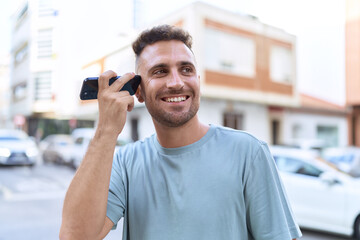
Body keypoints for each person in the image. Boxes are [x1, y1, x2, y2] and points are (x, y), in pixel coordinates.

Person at [60, 24, 302, 240]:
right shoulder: (125, 163)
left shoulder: (248, 152)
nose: (176, 82)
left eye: (186, 69)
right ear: (139, 92)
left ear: (198, 81)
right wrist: (105, 131)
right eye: (160, 71)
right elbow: (75, 237)